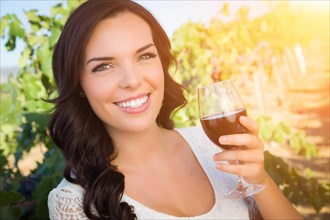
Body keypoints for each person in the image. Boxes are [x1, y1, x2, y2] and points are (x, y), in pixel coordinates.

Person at [47, 0, 303, 219]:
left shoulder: (213, 146)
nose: (133, 80)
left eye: (144, 56)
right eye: (104, 66)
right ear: (79, 83)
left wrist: (260, 181)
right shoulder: (72, 203)